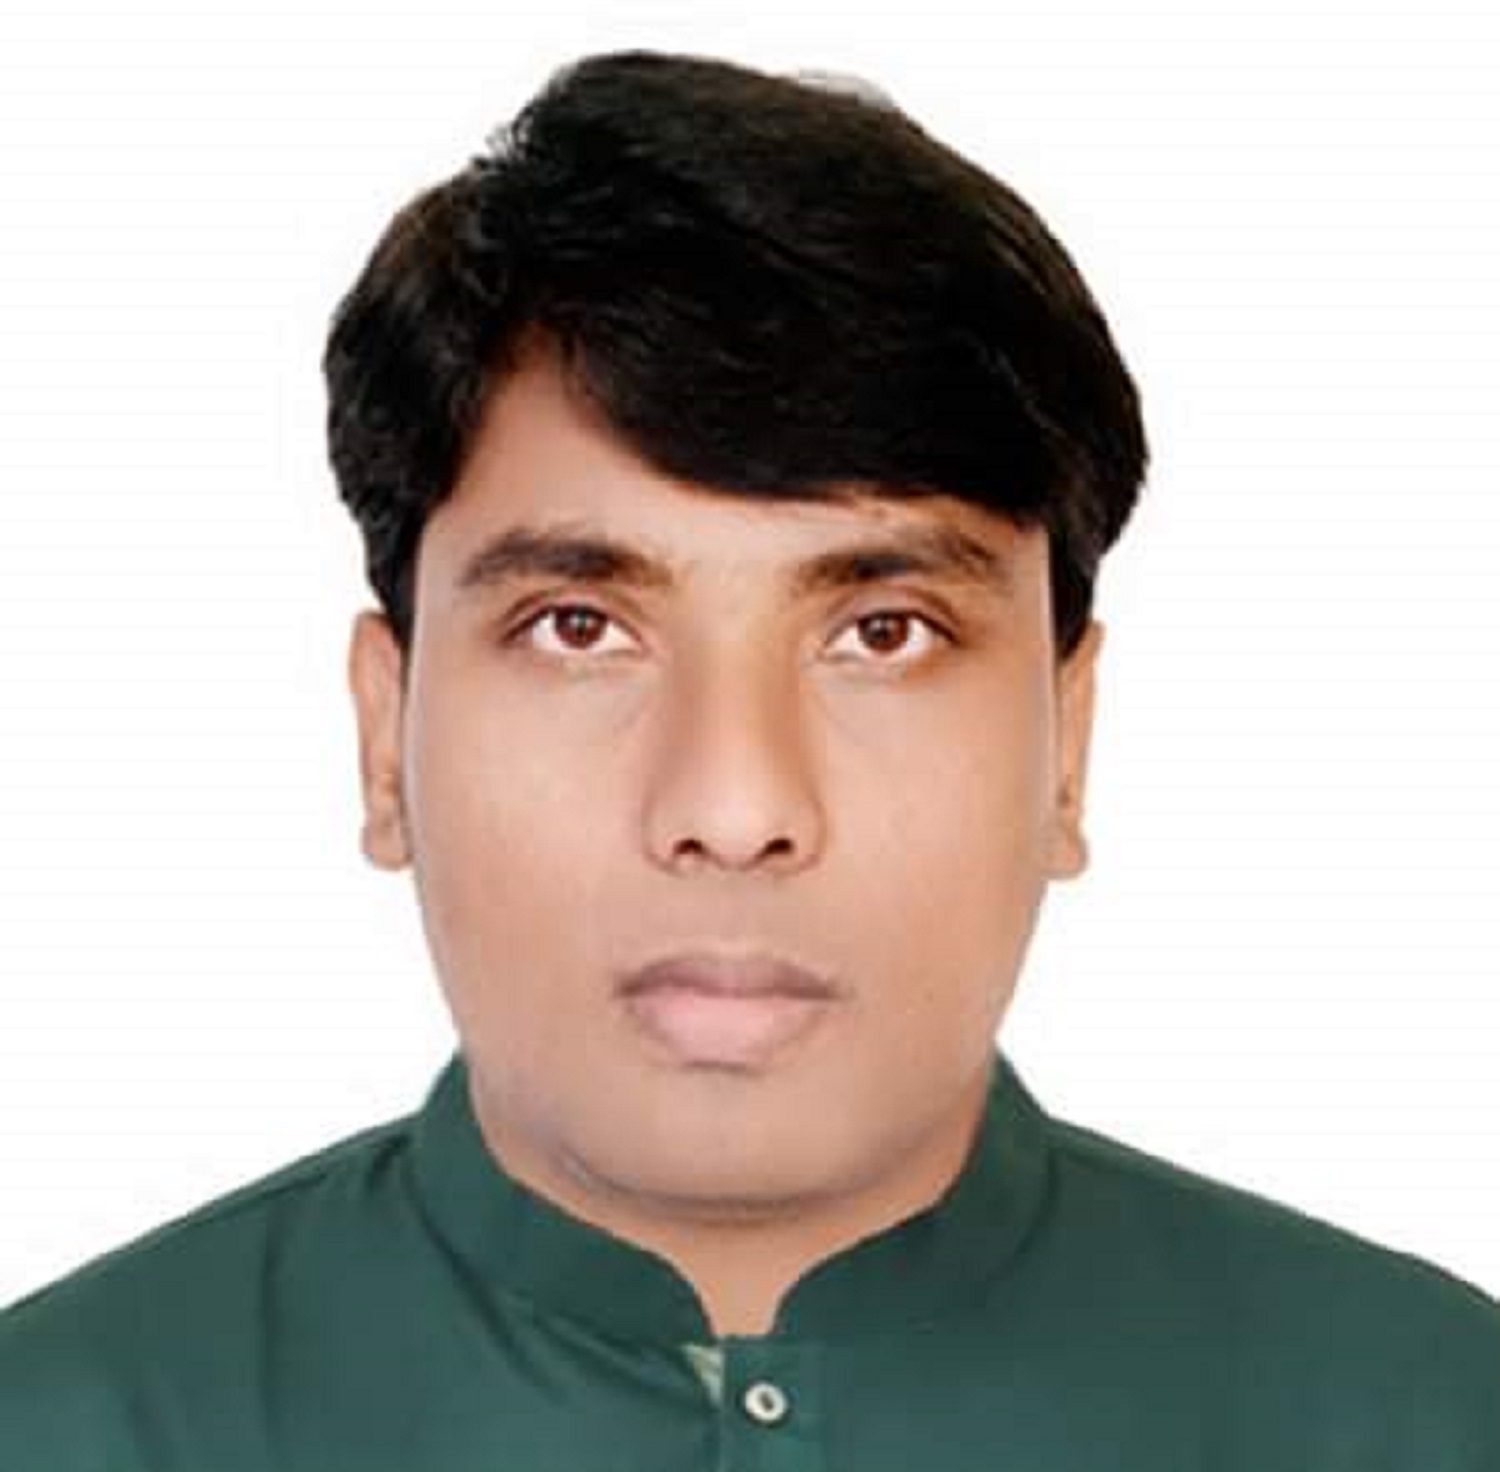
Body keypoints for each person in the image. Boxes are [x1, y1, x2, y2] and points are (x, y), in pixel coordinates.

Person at [1, 46, 1495, 1471]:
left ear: (1068, 745)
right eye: (580, 627)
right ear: (386, 736)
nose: (734, 806)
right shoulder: (65, 1427)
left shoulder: (1428, 1419)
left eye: (885, 633)